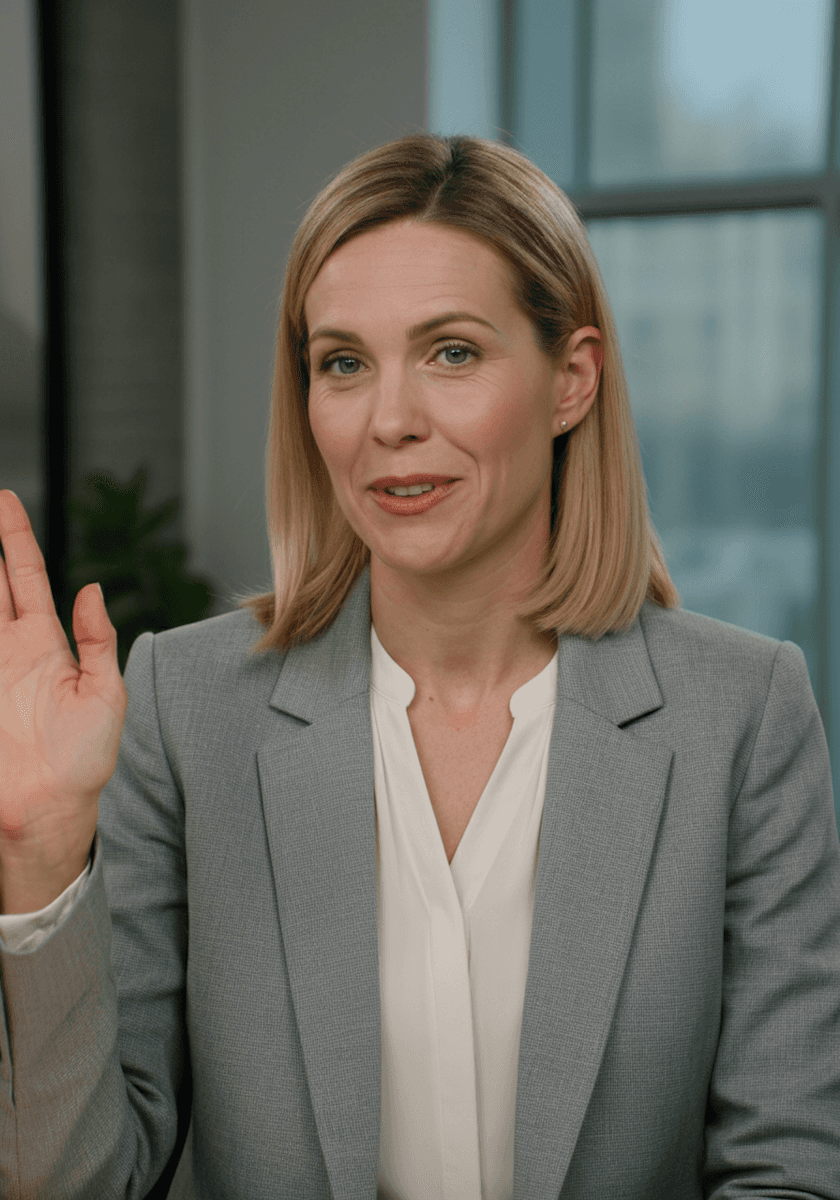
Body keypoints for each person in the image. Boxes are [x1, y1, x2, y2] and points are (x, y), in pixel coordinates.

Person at [0, 133, 838, 1200]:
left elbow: (789, 1169)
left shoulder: (745, 716)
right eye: (343, 363)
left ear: (572, 380)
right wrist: (36, 859)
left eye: (451, 352)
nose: (389, 422)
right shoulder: (185, 708)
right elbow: (80, 1185)